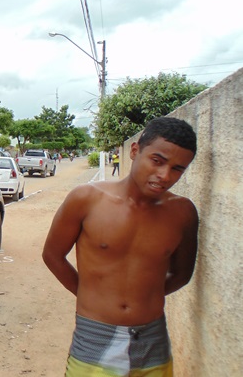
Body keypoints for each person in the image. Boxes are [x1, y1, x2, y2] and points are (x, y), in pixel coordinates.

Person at [42, 117, 198, 376]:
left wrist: (145, 296)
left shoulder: (183, 213)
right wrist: (90, 294)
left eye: (178, 169)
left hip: (153, 338)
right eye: (157, 161)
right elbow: (52, 255)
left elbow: (182, 274)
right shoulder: (86, 199)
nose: (165, 175)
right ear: (135, 151)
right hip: (95, 335)